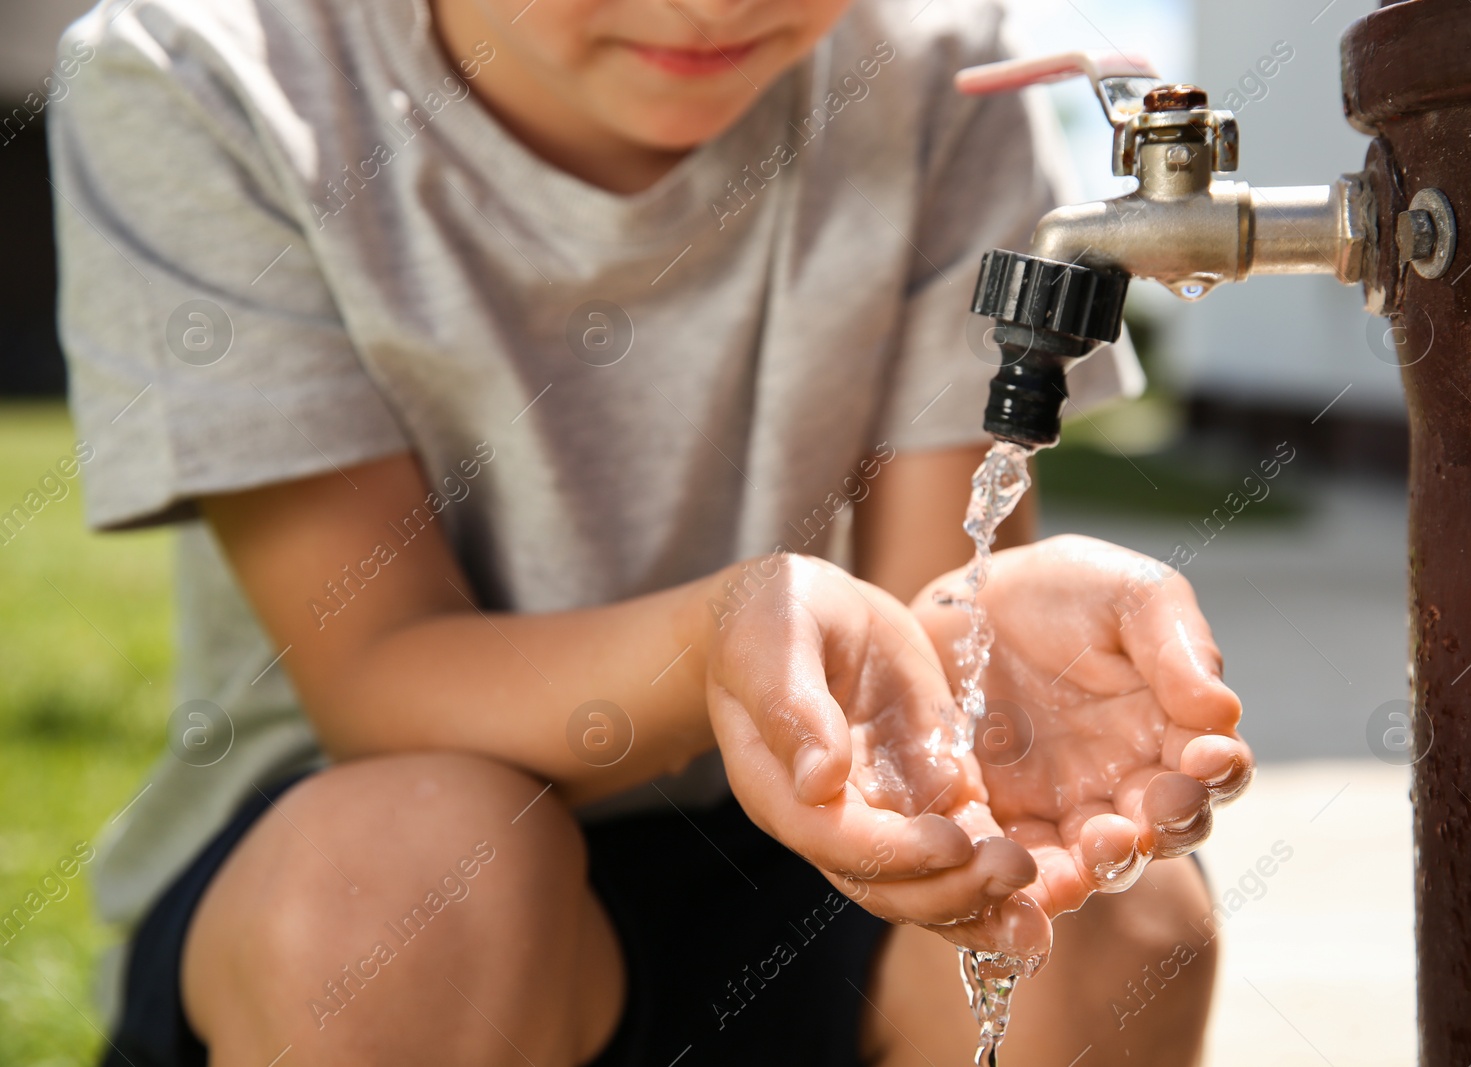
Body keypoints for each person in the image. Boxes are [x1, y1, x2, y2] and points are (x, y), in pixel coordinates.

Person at [50, 0, 1253, 1064]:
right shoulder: (214, 73)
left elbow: (924, 613)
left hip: (800, 857)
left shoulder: (945, 68)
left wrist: (967, 640)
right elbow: (374, 670)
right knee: (412, 876)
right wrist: (717, 640)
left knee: (1113, 917)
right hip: (364, 884)